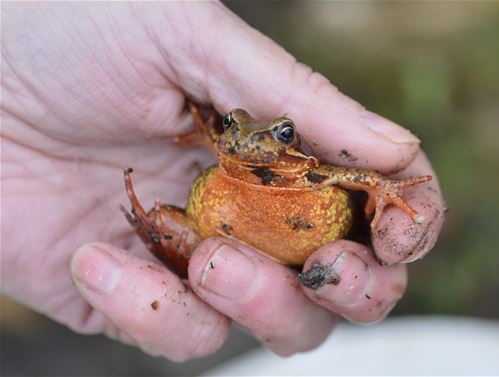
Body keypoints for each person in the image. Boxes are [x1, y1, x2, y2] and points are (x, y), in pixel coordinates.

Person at [1, 2, 444, 361]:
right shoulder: (229, 147)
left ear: (293, 141)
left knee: (324, 279)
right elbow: (223, 138)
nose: (249, 142)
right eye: (235, 126)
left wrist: (385, 189)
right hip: (231, 218)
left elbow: (355, 173)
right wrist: (202, 133)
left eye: (282, 134)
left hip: (300, 229)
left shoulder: (310, 170)